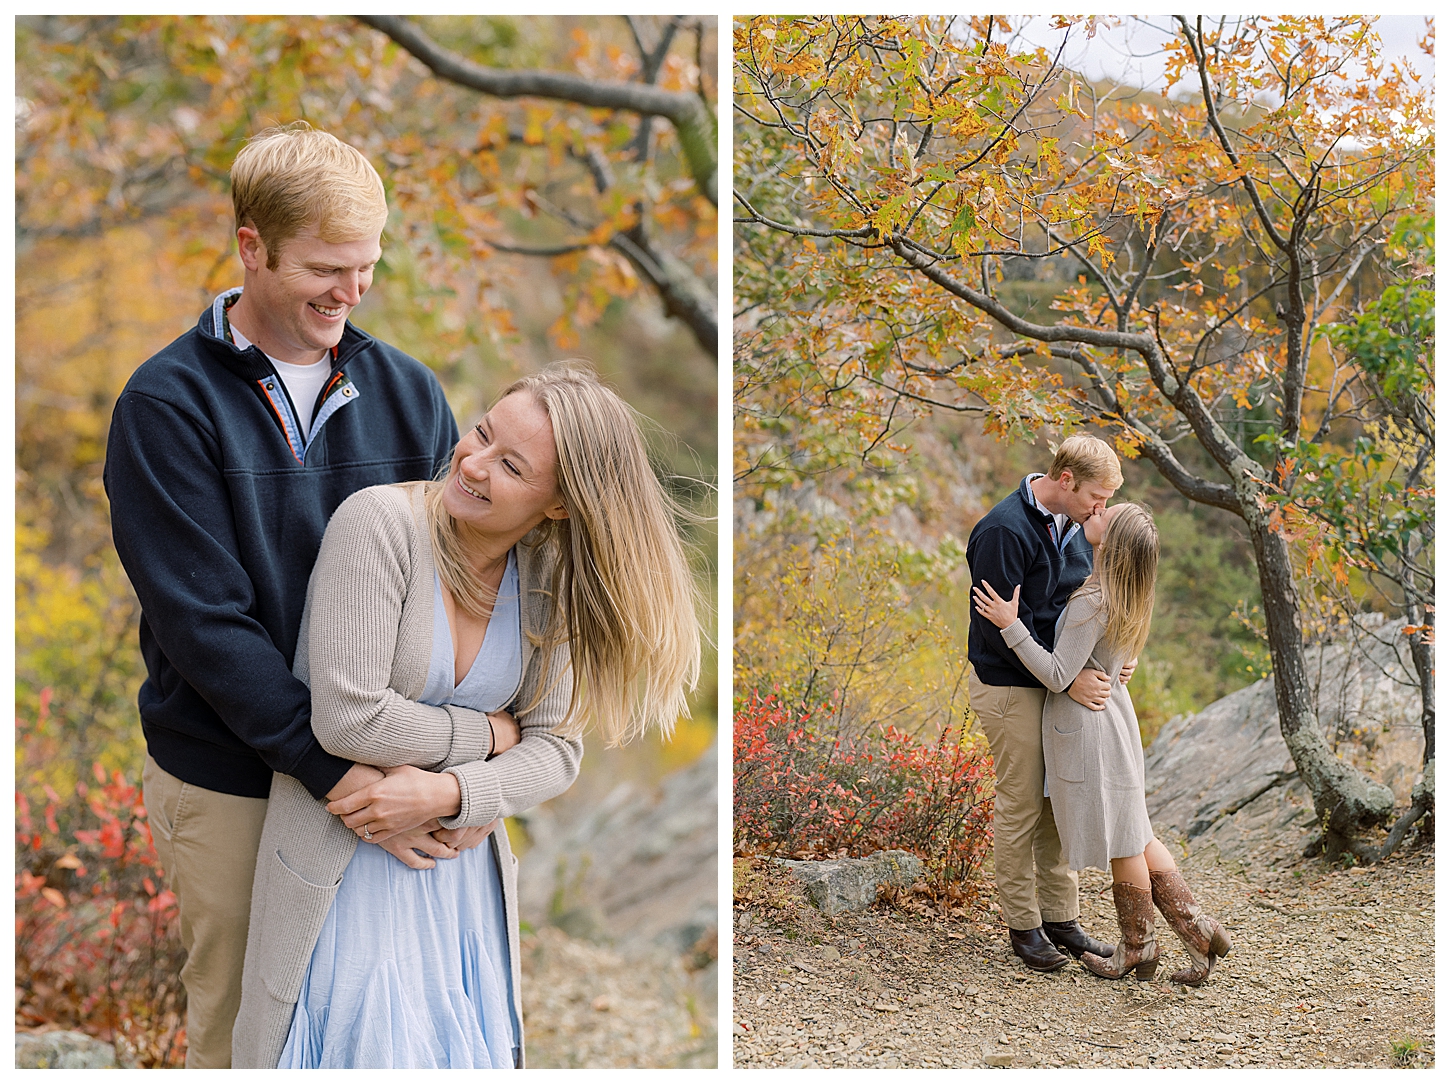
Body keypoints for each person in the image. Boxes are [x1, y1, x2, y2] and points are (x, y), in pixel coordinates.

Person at [104, 122, 463, 1067]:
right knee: (246, 1022)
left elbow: (459, 584)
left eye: (367, 269)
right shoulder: (165, 406)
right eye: (324, 270)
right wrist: (336, 773)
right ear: (251, 247)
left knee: (378, 1016)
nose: (350, 295)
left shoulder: (411, 395)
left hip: (387, 776)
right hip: (233, 776)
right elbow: (203, 624)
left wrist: (446, 761)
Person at [231, 363, 702, 1068]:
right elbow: (349, 718)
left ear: (560, 506)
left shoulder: (547, 581)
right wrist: (488, 734)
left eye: (509, 465)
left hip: (459, 876)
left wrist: (453, 793)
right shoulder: (379, 525)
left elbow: (557, 751)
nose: (472, 463)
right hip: (346, 862)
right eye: (480, 433)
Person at [973, 502, 1233, 984]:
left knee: (1124, 841)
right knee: (1137, 832)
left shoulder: (1092, 600)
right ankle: (1199, 931)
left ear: (1108, 544)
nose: (1099, 509)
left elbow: (1055, 674)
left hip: (1089, 730)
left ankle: (1138, 947)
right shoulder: (1129, 594)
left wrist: (1011, 625)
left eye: (1107, 514)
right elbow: (1114, 657)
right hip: (1116, 719)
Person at [964, 435, 1129, 972]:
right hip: (1010, 686)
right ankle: (1024, 926)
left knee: (1057, 800)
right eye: (1096, 499)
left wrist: (1108, 661)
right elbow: (1003, 631)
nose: (1100, 510)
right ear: (1065, 481)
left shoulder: (1076, 526)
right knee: (1022, 805)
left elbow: (1073, 612)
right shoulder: (1003, 532)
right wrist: (1069, 680)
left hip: (1054, 684)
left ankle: (1062, 918)